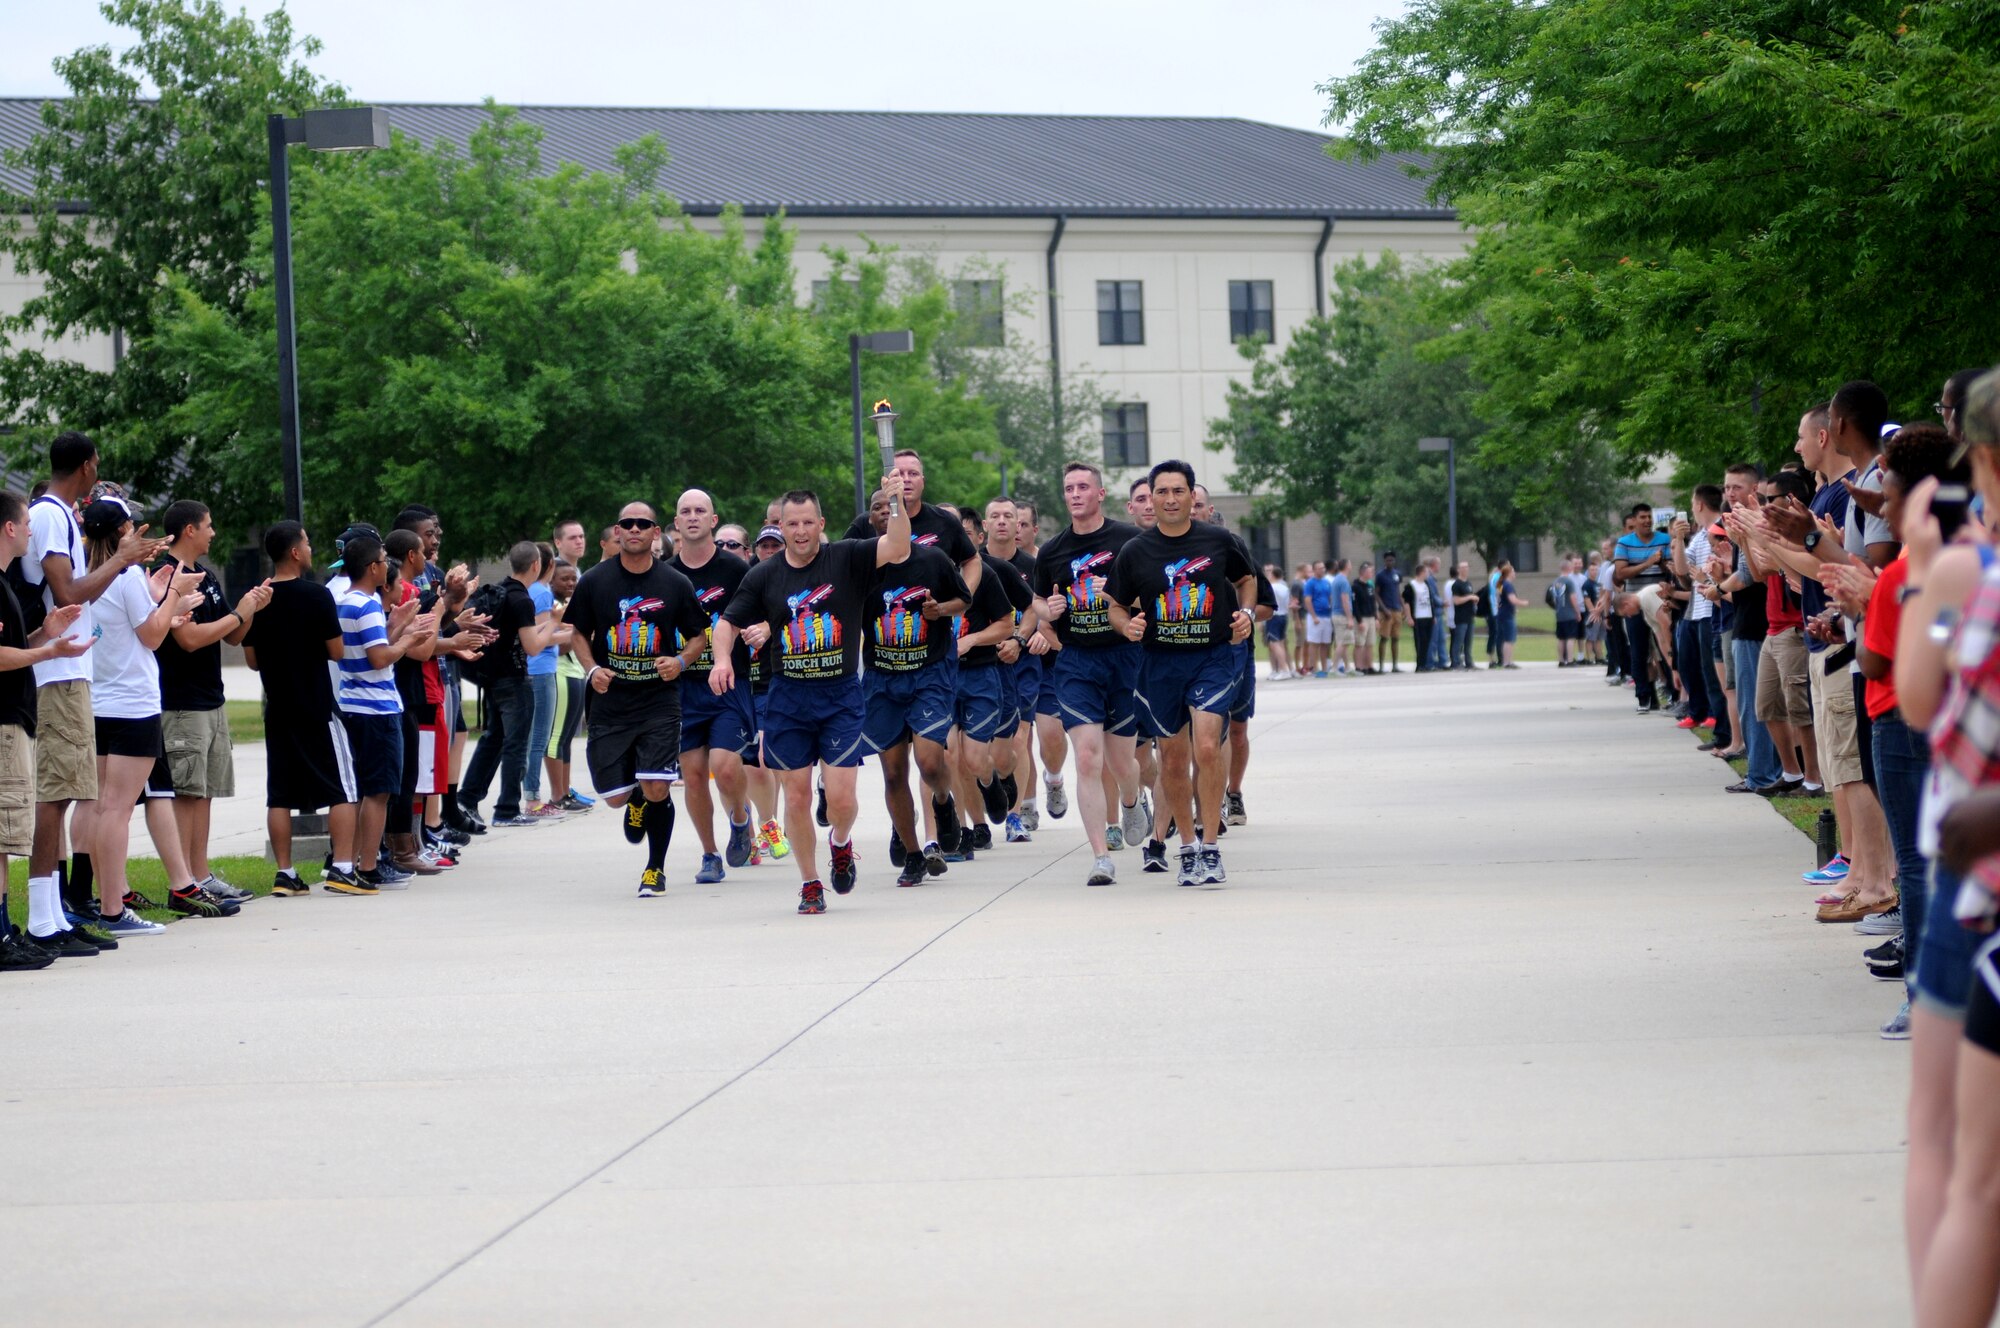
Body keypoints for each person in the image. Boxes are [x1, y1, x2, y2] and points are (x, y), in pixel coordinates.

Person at [712, 478, 913, 914]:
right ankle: (809, 882)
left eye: (808, 522)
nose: (800, 531)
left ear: (821, 524)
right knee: (798, 795)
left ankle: (840, 843)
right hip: (788, 698)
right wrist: (722, 660)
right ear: (779, 527)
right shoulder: (764, 574)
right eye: (791, 524)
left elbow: (898, 545)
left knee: (840, 800)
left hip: (840, 695)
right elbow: (727, 622)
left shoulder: (847, 558)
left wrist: (895, 500)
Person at [21, 433, 167, 946]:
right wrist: (123, 560)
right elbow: (66, 592)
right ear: (85, 467)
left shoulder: (58, 516)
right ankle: (45, 918)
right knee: (59, 797)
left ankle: (56, 913)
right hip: (57, 677)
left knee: (69, 798)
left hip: (74, 677)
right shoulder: (52, 514)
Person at [1105, 460, 1255, 886]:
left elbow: (1247, 580)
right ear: (1150, 498)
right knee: (1172, 756)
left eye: (1179, 491)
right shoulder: (1136, 551)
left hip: (1211, 658)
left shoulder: (1219, 540)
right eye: (1162, 491)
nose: (1170, 499)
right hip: (1159, 664)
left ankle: (1211, 845)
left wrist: (1244, 612)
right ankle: (1186, 845)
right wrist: (1126, 625)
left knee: (1207, 748)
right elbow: (1115, 604)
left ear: (1193, 496)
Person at [563, 502, 712, 898]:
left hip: (659, 701)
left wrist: (680, 661)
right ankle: (633, 800)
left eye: (642, 524)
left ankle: (654, 869)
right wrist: (593, 669)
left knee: (658, 786)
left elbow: (699, 635)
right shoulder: (595, 581)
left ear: (654, 531)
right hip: (611, 700)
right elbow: (578, 632)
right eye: (626, 524)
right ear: (616, 531)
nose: (633, 529)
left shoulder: (674, 583)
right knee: (613, 798)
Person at [74, 495, 208, 934]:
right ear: (120, 533)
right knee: (116, 810)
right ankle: (114, 909)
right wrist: (173, 595)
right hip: (132, 704)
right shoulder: (127, 575)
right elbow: (151, 636)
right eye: (131, 527)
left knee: (97, 806)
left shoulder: (83, 576)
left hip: (97, 703)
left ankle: (95, 900)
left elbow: (131, 627)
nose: (136, 534)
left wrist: (163, 603)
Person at [1030, 462, 1148, 887]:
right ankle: (1100, 856)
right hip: (1076, 660)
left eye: (1083, 487)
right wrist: (1050, 611)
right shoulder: (1053, 550)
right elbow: (1039, 602)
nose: (1075, 494)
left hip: (1122, 658)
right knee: (1086, 757)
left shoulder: (1129, 540)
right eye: (1068, 488)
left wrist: (1120, 593)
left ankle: (1134, 802)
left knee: (1123, 764)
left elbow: (1148, 595)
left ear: (1100, 494)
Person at [154, 499, 269, 905]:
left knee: (203, 791)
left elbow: (232, 637)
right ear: (189, 530)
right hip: (181, 703)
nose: (213, 532)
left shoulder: (207, 576)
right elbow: (187, 640)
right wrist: (239, 615)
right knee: (186, 792)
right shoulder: (165, 576)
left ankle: (199, 875)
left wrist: (250, 610)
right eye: (208, 525)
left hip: (211, 701)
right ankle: (183, 882)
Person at [243, 523, 368, 894]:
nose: (311, 549)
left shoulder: (259, 598)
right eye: (308, 542)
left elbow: (251, 659)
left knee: (279, 793)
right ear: (295, 552)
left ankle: (286, 872)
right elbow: (336, 651)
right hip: (317, 706)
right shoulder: (317, 596)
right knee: (343, 788)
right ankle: (343, 867)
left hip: (278, 708)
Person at [0, 490, 97, 967]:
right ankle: (25, 925)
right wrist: (49, 653)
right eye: (25, 522)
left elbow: (17, 644)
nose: (33, 530)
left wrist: (47, 632)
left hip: (20, 712)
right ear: (11, 528)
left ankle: (16, 925)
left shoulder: (4, 584)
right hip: (10, 717)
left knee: (11, 828)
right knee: (18, 821)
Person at [668, 488, 759, 883]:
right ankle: (709, 854)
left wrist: (762, 629)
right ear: (676, 523)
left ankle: (740, 819)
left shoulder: (736, 571)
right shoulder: (665, 575)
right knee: (692, 774)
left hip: (727, 681)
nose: (692, 517)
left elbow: (767, 608)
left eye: (699, 511)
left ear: (713, 520)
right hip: (682, 687)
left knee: (724, 767)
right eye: (685, 511)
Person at [335, 534, 436, 887]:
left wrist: (398, 627)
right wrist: (408, 639)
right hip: (375, 708)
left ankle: (359, 861)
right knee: (379, 792)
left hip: (354, 704)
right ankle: (366, 866)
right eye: (381, 559)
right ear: (372, 568)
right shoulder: (366, 605)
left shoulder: (348, 602)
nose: (386, 564)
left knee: (367, 789)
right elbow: (379, 658)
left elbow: (370, 650)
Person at [458, 542, 559, 829]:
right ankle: (507, 808)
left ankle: (467, 798)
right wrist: (553, 623)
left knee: (494, 739)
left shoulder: (501, 591)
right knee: (516, 744)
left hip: (492, 677)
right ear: (536, 566)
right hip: (515, 680)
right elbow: (533, 646)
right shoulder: (522, 600)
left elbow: (518, 634)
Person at [521, 542, 567, 817]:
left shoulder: (534, 590)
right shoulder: (542, 592)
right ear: (549, 565)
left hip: (537, 666)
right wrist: (574, 636)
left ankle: (530, 795)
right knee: (539, 736)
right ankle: (532, 799)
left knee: (536, 736)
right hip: (541, 668)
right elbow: (541, 635)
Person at [543, 559, 588, 813]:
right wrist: (575, 633)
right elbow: (559, 646)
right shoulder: (553, 608)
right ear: (551, 581)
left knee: (568, 736)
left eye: (574, 579)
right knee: (556, 736)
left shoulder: (572, 605)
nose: (570, 583)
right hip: (560, 673)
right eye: (564, 579)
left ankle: (566, 790)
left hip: (576, 672)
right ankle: (556, 794)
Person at [1374, 552, 1405, 672]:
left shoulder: (1397, 574)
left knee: (1396, 638)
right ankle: (1381, 666)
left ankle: (1395, 665)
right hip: (1386, 611)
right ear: (1384, 561)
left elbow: (1397, 591)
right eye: (1388, 560)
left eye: (1392, 560)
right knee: (1384, 637)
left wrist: (1402, 606)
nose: (1390, 562)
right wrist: (1384, 608)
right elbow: (1376, 593)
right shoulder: (1380, 575)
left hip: (1396, 609)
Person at [1302, 559, 1333, 676]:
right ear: (1314, 570)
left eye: (1323, 568)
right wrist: (1314, 616)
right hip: (1315, 616)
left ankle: (1325, 668)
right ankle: (1314, 667)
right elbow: (1307, 600)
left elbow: (1329, 597)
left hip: (1326, 616)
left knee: (1325, 643)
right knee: (1314, 643)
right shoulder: (1310, 583)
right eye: (1319, 568)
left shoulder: (1326, 582)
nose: (1322, 570)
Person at [1492, 562, 1525, 669]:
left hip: (1501, 614)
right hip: (1506, 615)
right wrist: (1523, 603)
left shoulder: (1501, 584)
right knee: (1509, 639)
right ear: (1509, 573)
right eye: (1513, 571)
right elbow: (1512, 599)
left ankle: (1506, 661)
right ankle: (1507, 662)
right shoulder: (1508, 585)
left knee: (1505, 638)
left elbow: (1500, 600)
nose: (1515, 574)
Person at [1264, 563, 1293, 680]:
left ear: (1273, 575)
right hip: (1284, 615)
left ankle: (1284, 669)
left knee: (1274, 643)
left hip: (1274, 617)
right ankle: (1283, 669)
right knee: (1280, 643)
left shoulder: (1272, 587)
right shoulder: (1285, 587)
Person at [1450, 561, 1478, 670]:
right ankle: (1456, 662)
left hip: (1469, 616)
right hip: (1461, 617)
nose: (1465, 569)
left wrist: (1473, 600)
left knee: (1468, 642)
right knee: (1459, 641)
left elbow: (1469, 597)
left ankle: (1469, 662)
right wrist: (1470, 597)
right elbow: (1456, 601)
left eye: (1467, 567)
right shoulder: (1456, 585)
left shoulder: (1468, 583)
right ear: (1458, 570)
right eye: (1463, 567)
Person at [1351, 560, 1378, 674]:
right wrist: (1359, 620)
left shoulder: (1370, 585)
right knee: (1360, 644)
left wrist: (1376, 618)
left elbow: (1373, 602)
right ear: (1363, 572)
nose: (1372, 574)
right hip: (1361, 618)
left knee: (1370, 643)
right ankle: (1359, 666)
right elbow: (1354, 605)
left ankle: (1369, 666)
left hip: (1371, 617)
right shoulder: (1355, 586)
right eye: (1370, 571)